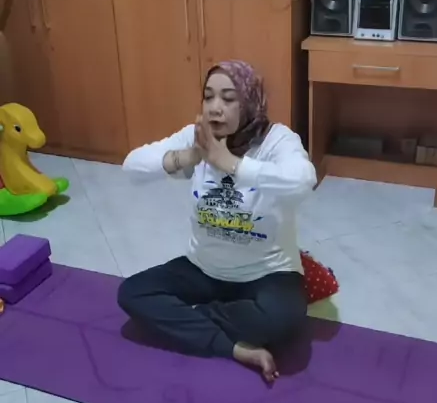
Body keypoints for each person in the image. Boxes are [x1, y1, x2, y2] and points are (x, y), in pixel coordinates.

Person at [118, 60, 317, 383]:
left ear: (249, 101)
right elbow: (132, 167)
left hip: (266, 272)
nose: (215, 108)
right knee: (133, 293)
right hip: (204, 268)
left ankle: (189, 320)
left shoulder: (276, 140)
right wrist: (187, 157)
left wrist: (231, 163)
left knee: (284, 317)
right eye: (208, 96)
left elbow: (303, 181)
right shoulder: (198, 138)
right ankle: (234, 347)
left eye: (228, 98)